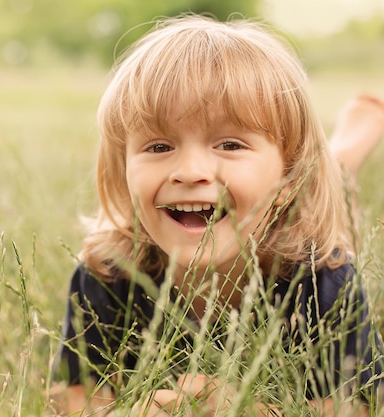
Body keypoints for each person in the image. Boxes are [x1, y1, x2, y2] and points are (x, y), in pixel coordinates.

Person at [50, 14, 384, 417]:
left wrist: (247, 408)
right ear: (122, 172)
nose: (190, 172)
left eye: (229, 144)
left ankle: (352, 139)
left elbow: (352, 409)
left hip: (299, 197)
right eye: (158, 147)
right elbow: (74, 400)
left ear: (288, 177)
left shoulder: (321, 278)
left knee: (330, 176)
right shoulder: (108, 273)